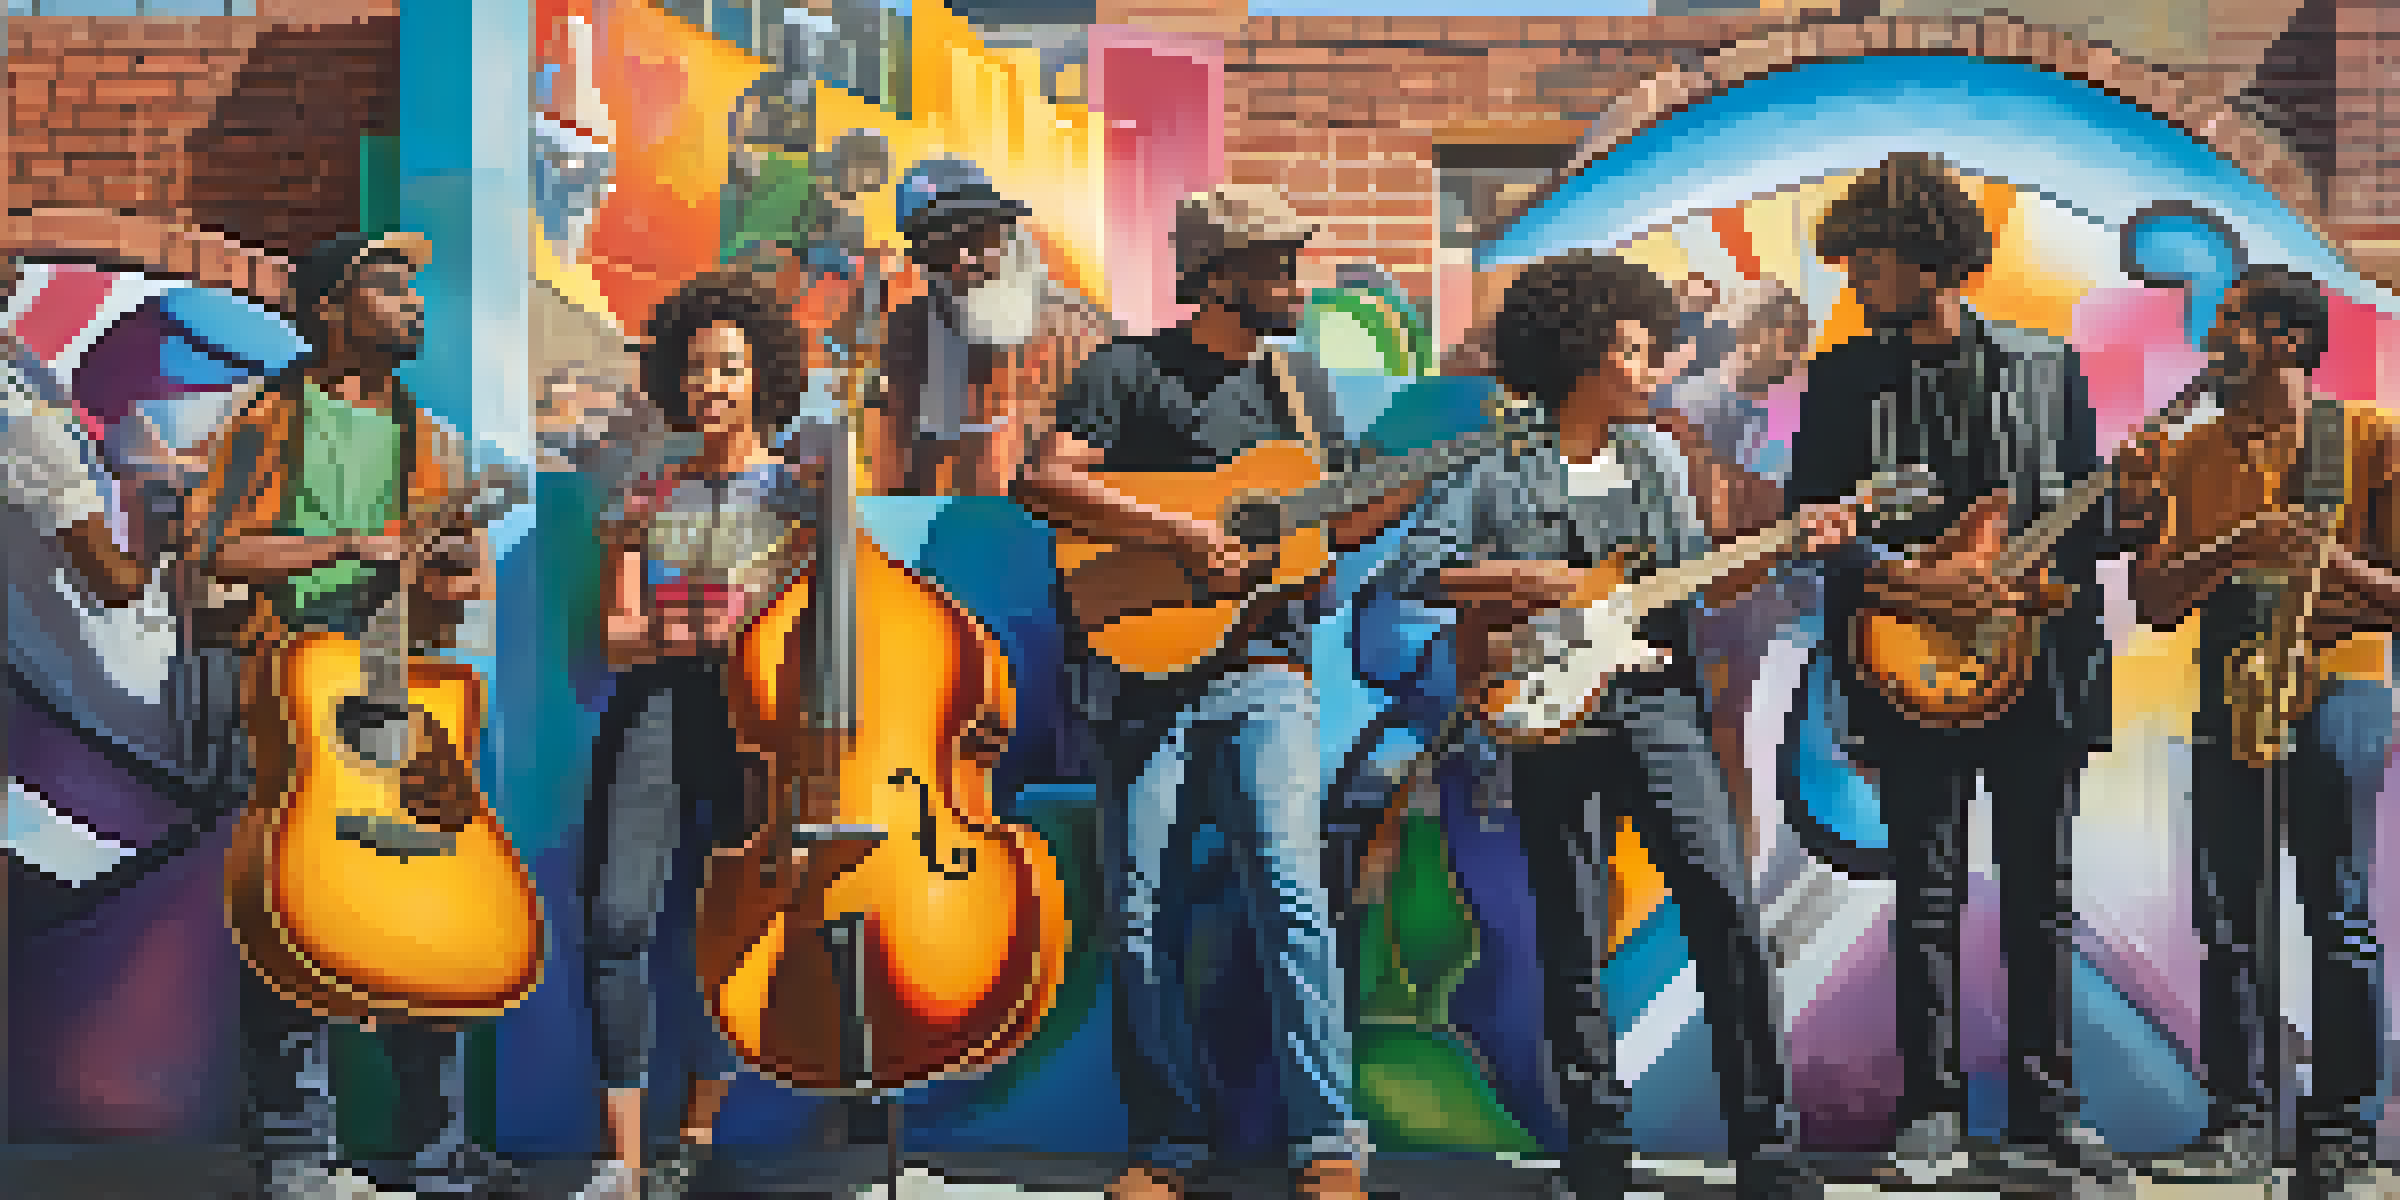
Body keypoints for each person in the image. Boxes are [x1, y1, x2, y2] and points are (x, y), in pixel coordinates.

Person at [1365, 251, 1840, 1200]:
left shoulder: (1659, 457)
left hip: (1658, 703)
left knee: (1723, 907)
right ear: (1581, 356)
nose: (1654, 363)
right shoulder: (1493, 468)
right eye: (1632, 348)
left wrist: (1794, 541)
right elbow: (1418, 569)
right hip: (1547, 711)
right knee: (1571, 929)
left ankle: (1767, 1145)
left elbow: (1698, 577)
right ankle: (1596, 1139)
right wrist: (1530, 583)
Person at [1011, 184, 1420, 1200]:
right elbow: (1044, 482)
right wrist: (1184, 535)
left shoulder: (1302, 389)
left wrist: (1429, 476)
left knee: (1291, 895)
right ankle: (1167, 1147)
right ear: (1217, 277)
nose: (1294, 283)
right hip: (1139, 677)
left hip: (1264, 675)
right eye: (1275, 265)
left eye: (1291, 262)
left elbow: (1332, 528)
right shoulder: (1128, 371)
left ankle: (1328, 1142)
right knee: (1141, 913)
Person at [1783, 152, 2127, 1192]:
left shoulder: (2044, 365)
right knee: (1925, 894)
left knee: (2041, 893)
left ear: (1929, 259)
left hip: (2037, 668)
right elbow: (1818, 530)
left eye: (1869, 262)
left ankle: (2047, 1111)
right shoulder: (1843, 379)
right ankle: (1929, 1112)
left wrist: (2117, 519)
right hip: (1906, 667)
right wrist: (1915, 586)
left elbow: (2086, 518)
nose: (1853, 283)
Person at [184, 232, 515, 1199]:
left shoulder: (436, 442)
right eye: (389, 288)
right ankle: (296, 1150)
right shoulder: (266, 422)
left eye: (416, 289)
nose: (414, 305)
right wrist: (349, 545)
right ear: (332, 307)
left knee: (424, 911)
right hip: (288, 697)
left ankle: (437, 1147)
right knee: (288, 918)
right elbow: (216, 550)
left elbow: (464, 592)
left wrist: (449, 562)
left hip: (402, 700)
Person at [2117, 266, 2390, 1200]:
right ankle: (2239, 1121)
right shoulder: (2191, 456)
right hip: (2230, 689)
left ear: (2284, 338)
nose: (2213, 340)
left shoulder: (2367, 438)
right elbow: (2153, 601)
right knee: (2229, 917)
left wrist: (2330, 562)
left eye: (2231, 324)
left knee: (2336, 909)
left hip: (2340, 685)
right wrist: (2234, 545)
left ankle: (2343, 1132)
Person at [574, 270, 824, 1200]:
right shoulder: (643, 496)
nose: (710, 386)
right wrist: (682, 631)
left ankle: (694, 1136)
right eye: (695, 369)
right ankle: (622, 1162)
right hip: (656, 710)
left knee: (731, 925)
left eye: (728, 367)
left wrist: (754, 624)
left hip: (760, 723)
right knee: (617, 922)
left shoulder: (804, 498)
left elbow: (827, 630)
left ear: (764, 378)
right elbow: (616, 638)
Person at [1652, 275, 1812, 862]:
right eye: (1788, 341)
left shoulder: (1764, 413)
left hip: (1744, 608)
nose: (1793, 358)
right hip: (1704, 606)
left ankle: (1738, 867)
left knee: (1732, 737)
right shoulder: (1691, 408)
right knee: (1719, 741)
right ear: (1760, 333)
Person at [877, 157, 1113, 496]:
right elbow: (895, 459)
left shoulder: (1079, 328)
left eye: (976, 237)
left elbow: (1118, 442)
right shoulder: (910, 331)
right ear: (922, 258)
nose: (965, 259)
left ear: (1004, 235)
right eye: (942, 246)